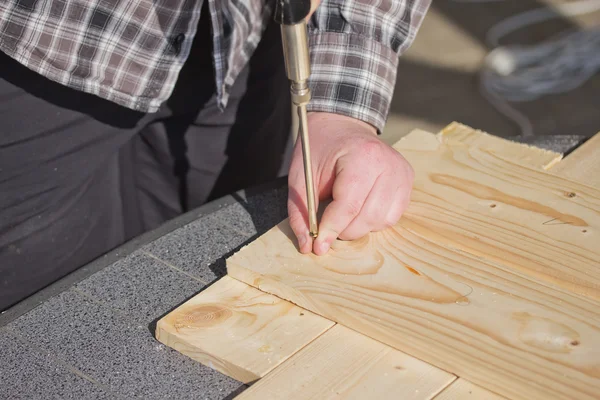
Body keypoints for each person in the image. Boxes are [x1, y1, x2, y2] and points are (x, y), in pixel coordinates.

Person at [0, 0, 431, 310]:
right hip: (34, 39)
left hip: (239, 40)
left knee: (215, 300)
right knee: (43, 322)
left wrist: (341, 110)